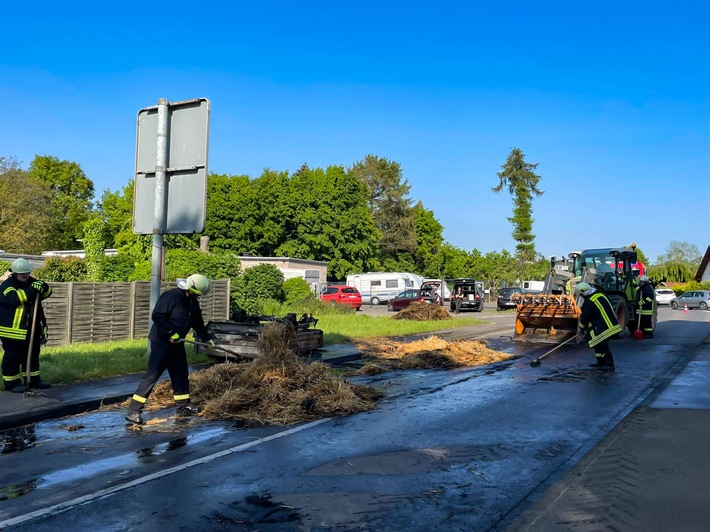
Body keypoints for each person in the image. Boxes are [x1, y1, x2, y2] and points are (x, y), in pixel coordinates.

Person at [125, 274, 216, 424]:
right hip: (162, 342)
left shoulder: (192, 303)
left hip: (177, 343)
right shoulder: (171, 296)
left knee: (180, 373)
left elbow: (198, 323)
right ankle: (134, 411)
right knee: (152, 376)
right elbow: (157, 316)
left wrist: (206, 339)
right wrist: (170, 332)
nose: (197, 297)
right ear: (190, 289)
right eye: (196, 294)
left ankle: (183, 405)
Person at [0, 258, 52, 392]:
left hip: (31, 328)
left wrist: (43, 286)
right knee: (13, 357)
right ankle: (11, 384)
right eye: (22, 273)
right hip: (12, 331)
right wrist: (32, 290)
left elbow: (47, 293)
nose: (25, 275)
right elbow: (15, 299)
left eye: (27, 273)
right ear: (14, 273)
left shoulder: (31, 282)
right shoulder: (7, 286)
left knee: (33, 354)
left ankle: (33, 380)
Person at [575, 281, 621, 371]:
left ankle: (609, 365)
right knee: (597, 344)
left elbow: (585, 316)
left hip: (604, 327)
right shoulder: (599, 294)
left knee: (602, 345)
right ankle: (600, 362)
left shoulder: (589, 302)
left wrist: (581, 327)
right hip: (608, 324)